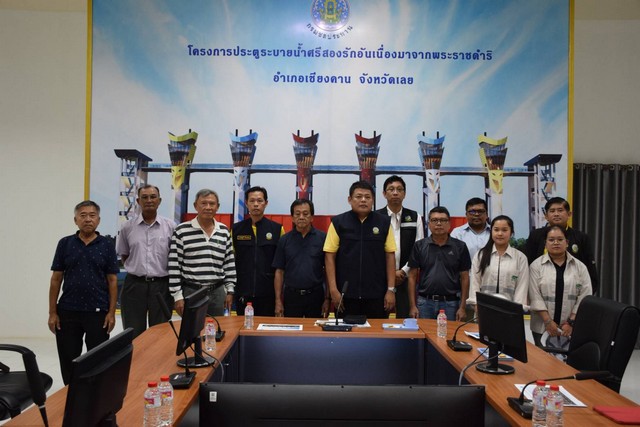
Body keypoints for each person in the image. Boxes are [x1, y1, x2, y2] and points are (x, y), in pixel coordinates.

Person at [48, 200, 119, 384]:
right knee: (69, 359)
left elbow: (112, 281)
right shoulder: (65, 244)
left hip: (98, 311)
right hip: (68, 311)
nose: (88, 219)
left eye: (92, 215)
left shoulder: (107, 245)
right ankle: (71, 393)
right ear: (75, 220)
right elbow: (56, 279)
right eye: (83, 215)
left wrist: (111, 313)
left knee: (97, 359)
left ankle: (94, 394)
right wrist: (52, 313)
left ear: (98, 220)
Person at [323, 180, 397, 319]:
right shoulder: (338, 222)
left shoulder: (384, 223)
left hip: (377, 294)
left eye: (367, 197)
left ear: (373, 200)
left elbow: (390, 256)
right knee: (347, 331)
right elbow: (329, 256)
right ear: (349, 199)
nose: (363, 200)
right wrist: (333, 290)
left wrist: (391, 290)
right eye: (358, 196)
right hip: (345, 295)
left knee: (376, 332)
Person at [116, 184, 175, 338]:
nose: (149, 200)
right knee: (133, 333)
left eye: (153, 197)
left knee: (160, 333)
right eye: (145, 197)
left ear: (159, 200)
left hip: (162, 286)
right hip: (134, 285)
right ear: (138, 201)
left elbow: (174, 256)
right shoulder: (127, 227)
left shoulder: (170, 226)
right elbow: (124, 255)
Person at [169, 189, 236, 317]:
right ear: (195, 206)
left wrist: (230, 291)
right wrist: (177, 296)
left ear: (217, 207)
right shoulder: (182, 231)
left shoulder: (223, 231)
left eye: (212, 204)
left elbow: (229, 264)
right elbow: (174, 266)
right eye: (203, 203)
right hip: (192, 292)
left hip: (218, 293)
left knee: (217, 328)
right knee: (192, 329)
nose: (208, 207)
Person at [529, 225, 592, 347]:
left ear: (567, 243)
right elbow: (534, 296)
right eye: (551, 240)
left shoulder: (580, 267)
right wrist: (548, 321)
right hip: (542, 326)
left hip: (570, 327)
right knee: (542, 358)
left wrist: (571, 322)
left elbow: (585, 296)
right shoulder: (536, 266)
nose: (556, 243)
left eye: (560, 239)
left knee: (569, 358)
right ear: (545, 243)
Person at [408, 206, 471, 321]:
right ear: (429, 224)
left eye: (443, 220)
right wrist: (412, 306)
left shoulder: (460, 246)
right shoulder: (419, 246)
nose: (438, 223)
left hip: (451, 303)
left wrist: (462, 307)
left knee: (450, 333)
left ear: (449, 224)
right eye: (434, 220)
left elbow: (465, 278)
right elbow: (412, 276)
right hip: (425, 303)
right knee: (424, 333)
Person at [525, 196, 599, 293]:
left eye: (560, 210)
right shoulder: (536, 235)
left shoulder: (581, 238)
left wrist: (585, 298)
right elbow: (528, 265)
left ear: (569, 214)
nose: (556, 214)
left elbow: (590, 271)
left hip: (572, 291)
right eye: (552, 211)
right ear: (546, 216)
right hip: (539, 289)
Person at [376, 175, 424, 318]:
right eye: (391, 189)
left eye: (399, 189)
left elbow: (418, 248)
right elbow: (373, 251)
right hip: (381, 278)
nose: (395, 193)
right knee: (378, 318)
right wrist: (390, 274)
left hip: (406, 278)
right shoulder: (376, 217)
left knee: (405, 320)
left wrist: (403, 271)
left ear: (404, 193)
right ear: (384, 193)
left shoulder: (415, 217)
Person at [232, 186, 284, 316]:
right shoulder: (236, 230)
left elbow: (281, 265)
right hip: (243, 293)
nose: (256, 204)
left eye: (260, 201)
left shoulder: (277, 229)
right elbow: (230, 262)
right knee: (243, 327)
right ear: (246, 203)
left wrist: (279, 298)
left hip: (268, 294)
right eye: (252, 201)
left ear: (266, 203)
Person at [273, 199, 329, 318]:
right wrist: (278, 300)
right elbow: (279, 272)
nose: (301, 217)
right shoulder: (284, 240)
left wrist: (327, 299)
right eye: (297, 214)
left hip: (316, 295)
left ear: (312, 217)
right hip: (291, 296)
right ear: (292, 218)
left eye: (305, 213)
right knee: (291, 329)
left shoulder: (323, 238)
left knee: (314, 329)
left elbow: (328, 271)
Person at [466, 215, 529, 312]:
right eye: (496, 230)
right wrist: (476, 305)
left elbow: (522, 287)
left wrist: (516, 310)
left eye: (504, 230)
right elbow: (475, 283)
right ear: (491, 232)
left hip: (510, 311)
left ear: (511, 233)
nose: (500, 233)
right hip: (483, 310)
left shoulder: (520, 258)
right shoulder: (480, 255)